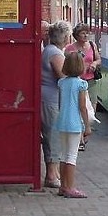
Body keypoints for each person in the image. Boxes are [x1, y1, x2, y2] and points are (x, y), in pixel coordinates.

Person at [54, 51, 92, 198]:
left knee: (63, 155)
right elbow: (82, 107)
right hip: (74, 123)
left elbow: (60, 103)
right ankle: (70, 188)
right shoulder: (81, 84)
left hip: (62, 121)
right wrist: (87, 125)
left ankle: (63, 186)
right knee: (72, 156)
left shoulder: (61, 83)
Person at [40, 20, 72, 188]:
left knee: (50, 135)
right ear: (65, 37)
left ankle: (53, 172)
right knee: (52, 136)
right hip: (51, 100)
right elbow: (63, 76)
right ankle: (51, 175)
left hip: (47, 97)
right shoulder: (56, 53)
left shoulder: (48, 50)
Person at [64, 23, 101, 150]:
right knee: (80, 108)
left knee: (92, 108)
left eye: (87, 33)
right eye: (83, 33)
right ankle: (80, 139)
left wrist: (95, 64)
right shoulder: (70, 48)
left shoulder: (91, 45)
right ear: (76, 36)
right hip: (77, 81)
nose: (86, 35)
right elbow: (66, 64)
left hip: (90, 81)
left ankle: (85, 133)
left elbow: (98, 59)